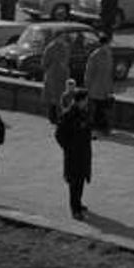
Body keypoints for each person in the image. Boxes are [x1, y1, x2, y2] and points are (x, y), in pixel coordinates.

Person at [54, 85, 93, 220]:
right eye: (86, 99)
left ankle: (78, 203)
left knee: (81, 179)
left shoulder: (84, 112)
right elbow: (59, 134)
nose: (87, 102)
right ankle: (74, 208)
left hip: (83, 152)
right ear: (80, 100)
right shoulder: (68, 115)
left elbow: (86, 128)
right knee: (74, 181)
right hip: (73, 154)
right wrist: (68, 147)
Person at [84, 32, 115, 135]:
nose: (109, 46)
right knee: (97, 108)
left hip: (104, 87)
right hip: (95, 87)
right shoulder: (95, 55)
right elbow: (89, 72)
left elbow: (110, 72)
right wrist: (87, 85)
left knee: (102, 108)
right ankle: (100, 127)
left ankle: (101, 127)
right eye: (107, 44)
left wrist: (110, 87)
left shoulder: (109, 54)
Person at [41, 33, 71, 124]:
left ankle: (60, 115)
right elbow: (45, 62)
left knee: (62, 95)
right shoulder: (50, 48)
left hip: (63, 75)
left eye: (63, 37)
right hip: (53, 75)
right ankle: (53, 116)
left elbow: (67, 59)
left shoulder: (65, 47)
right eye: (61, 37)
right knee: (53, 96)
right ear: (56, 37)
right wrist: (52, 68)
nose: (62, 39)